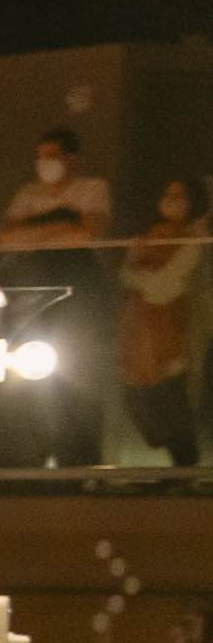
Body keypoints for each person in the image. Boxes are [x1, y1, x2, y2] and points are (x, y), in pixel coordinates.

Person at [0, 127, 116, 467]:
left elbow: (89, 231)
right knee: (26, 373)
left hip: (79, 285)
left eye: (51, 155)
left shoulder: (93, 187)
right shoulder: (27, 192)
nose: (44, 162)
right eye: (40, 156)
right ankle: (29, 456)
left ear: (71, 158)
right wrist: (62, 221)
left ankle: (78, 461)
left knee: (77, 370)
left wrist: (34, 229)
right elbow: (7, 237)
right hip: (32, 283)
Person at [121, 179, 206, 468]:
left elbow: (163, 285)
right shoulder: (148, 237)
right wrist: (137, 270)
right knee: (139, 404)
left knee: (173, 405)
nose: (173, 201)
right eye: (167, 194)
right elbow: (126, 276)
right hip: (139, 334)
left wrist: (138, 273)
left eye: (180, 196)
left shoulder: (195, 239)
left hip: (173, 333)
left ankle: (184, 471)